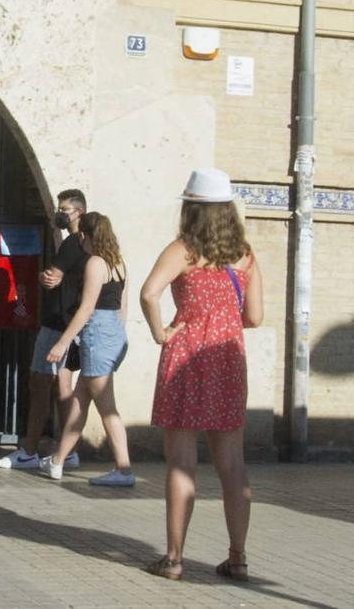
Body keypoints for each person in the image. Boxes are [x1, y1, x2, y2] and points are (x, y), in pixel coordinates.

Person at [139, 168, 263, 582]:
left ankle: (173, 559)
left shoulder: (183, 250)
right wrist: (223, 320)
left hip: (187, 356)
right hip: (228, 359)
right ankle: (239, 557)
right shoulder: (244, 255)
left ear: (190, 209)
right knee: (232, 464)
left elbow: (149, 292)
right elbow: (256, 317)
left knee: (181, 463)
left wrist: (161, 331)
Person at [37, 212, 135, 487]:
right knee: (79, 405)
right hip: (113, 332)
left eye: (81, 234)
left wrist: (62, 342)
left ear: (86, 235)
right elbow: (122, 307)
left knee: (107, 408)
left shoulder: (95, 263)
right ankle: (57, 461)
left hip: (97, 335)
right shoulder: (119, 264)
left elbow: (87, 307)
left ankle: (124, 470)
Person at [0, 189, 87, 470]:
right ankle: (67, 450)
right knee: (62, 388)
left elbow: (51, 279)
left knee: (41, 382)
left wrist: (41, 275)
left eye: (65, 209)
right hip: (70, 322)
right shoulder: (88, 245)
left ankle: (29, 449)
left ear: (79, 212)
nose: (60, 213)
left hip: (57, 323)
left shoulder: (72, 243)